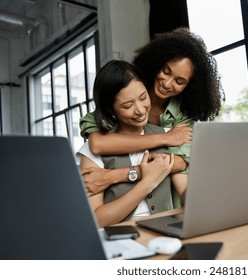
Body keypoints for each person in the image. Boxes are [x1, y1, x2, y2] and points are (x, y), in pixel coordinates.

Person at [79, 27, 224, 203]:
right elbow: (98, 144)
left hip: (166, 202)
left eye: (179, 81)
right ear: (157, 62)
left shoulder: (184, 117)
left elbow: (179, 164)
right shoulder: (126, 94)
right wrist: (166, 138)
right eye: (166, 71)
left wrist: (112, 176)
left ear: (190, 87)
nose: (167, 83)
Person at [78, 60, 187, 227]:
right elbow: (97, 220)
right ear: (110, 109)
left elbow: (186, 190)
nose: (141, 110)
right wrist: (147, 183)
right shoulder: (91, 152)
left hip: (167, 230)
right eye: (127, 105)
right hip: (120, 238)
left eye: (143, 97)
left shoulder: (168, 136)